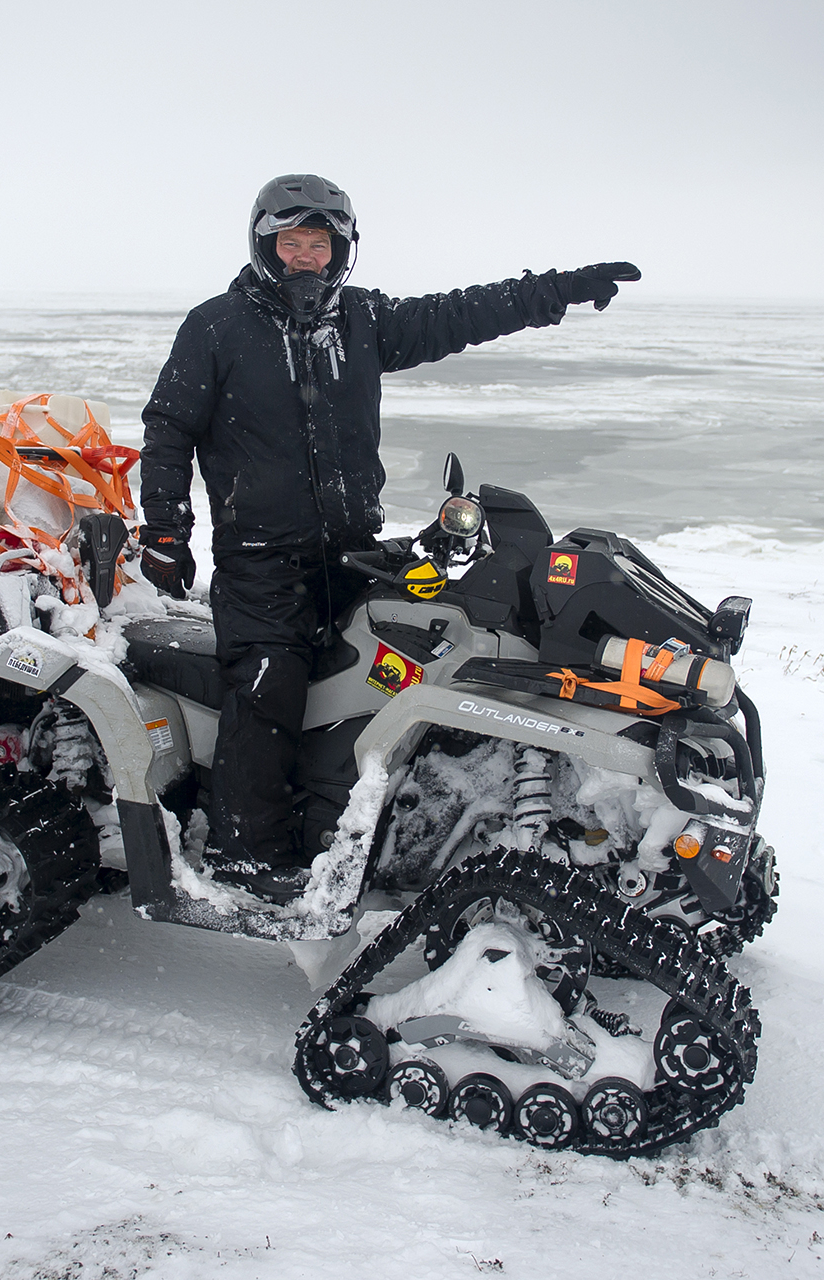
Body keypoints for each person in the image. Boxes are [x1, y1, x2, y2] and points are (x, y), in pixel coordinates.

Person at [138, 173, 638, 901]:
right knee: (270, 684)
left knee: (388, 670)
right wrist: (165, 529)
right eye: (291, 243)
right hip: (260, 561)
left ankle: (359, 820)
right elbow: (168, 429)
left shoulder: (362, 320)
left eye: (319, 245)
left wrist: (558, 289)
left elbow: (461, 313)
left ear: (341, 252)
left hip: (351, 551)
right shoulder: (217, 326)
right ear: (264, 245)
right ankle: (243, 853)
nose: (306, 258)